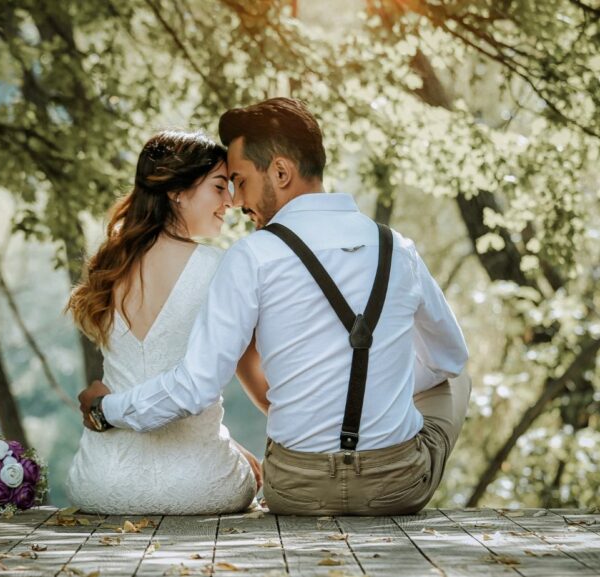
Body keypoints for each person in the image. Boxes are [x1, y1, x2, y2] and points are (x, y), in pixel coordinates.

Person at [79, 98, 471, 515]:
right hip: (397, 487)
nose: (236, 200)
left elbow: (196, 385)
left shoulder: (250, 257)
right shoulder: (399, 249)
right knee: (454, 376)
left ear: (280, 172)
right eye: (225, 184)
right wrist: (381, 387)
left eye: (240, 181)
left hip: (295, 490)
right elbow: (449, 357)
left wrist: (107, 409)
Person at [65, 130, 263, 515]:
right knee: (252, 475)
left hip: (101, 484)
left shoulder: (108, 267)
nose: (231, 201)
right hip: (200, 486)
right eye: (219, 186)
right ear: (176, 191)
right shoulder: (221, 267)